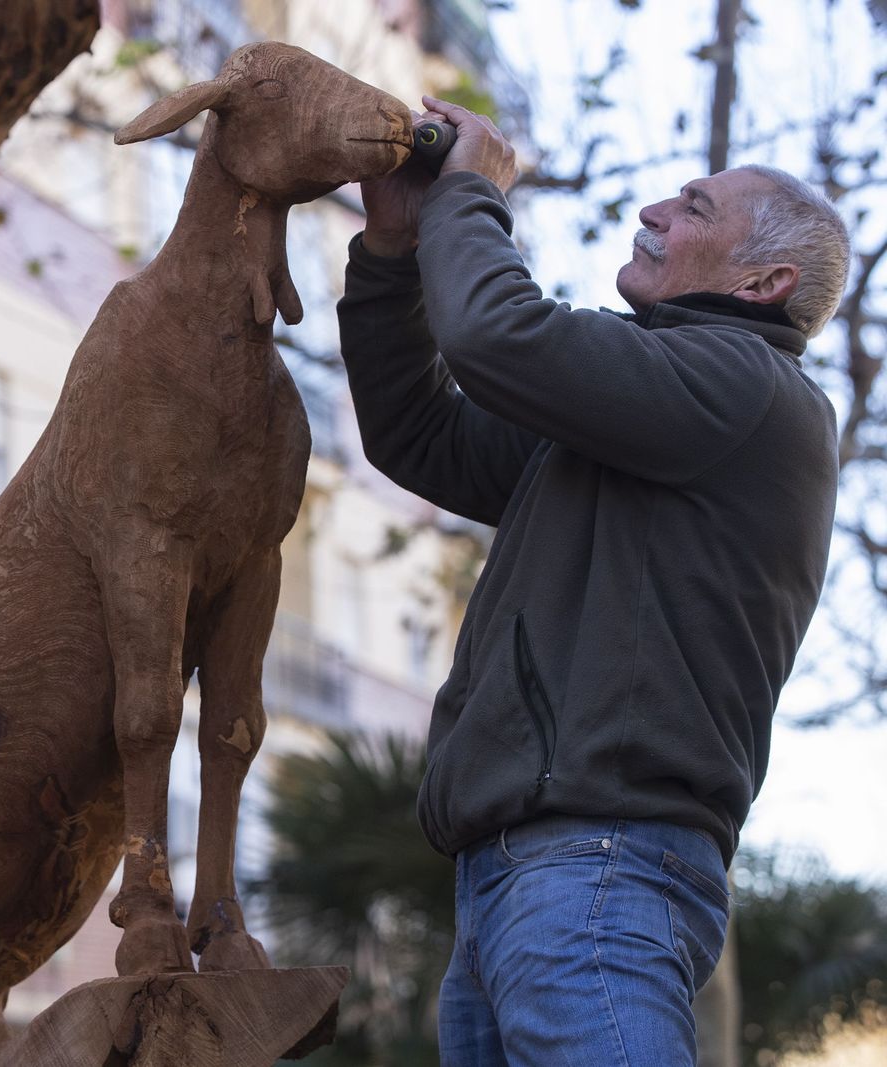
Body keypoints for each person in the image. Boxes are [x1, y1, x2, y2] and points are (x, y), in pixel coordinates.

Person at [339, 95, 850, 1066]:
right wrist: (392, 252)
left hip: (599, 861)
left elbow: (497, 334)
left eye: (694, 208)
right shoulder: (642, 410)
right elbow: (421, 432)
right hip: (519, 874)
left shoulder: (745, 387)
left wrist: (471, 199)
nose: (653, 210)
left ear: (763, 280)